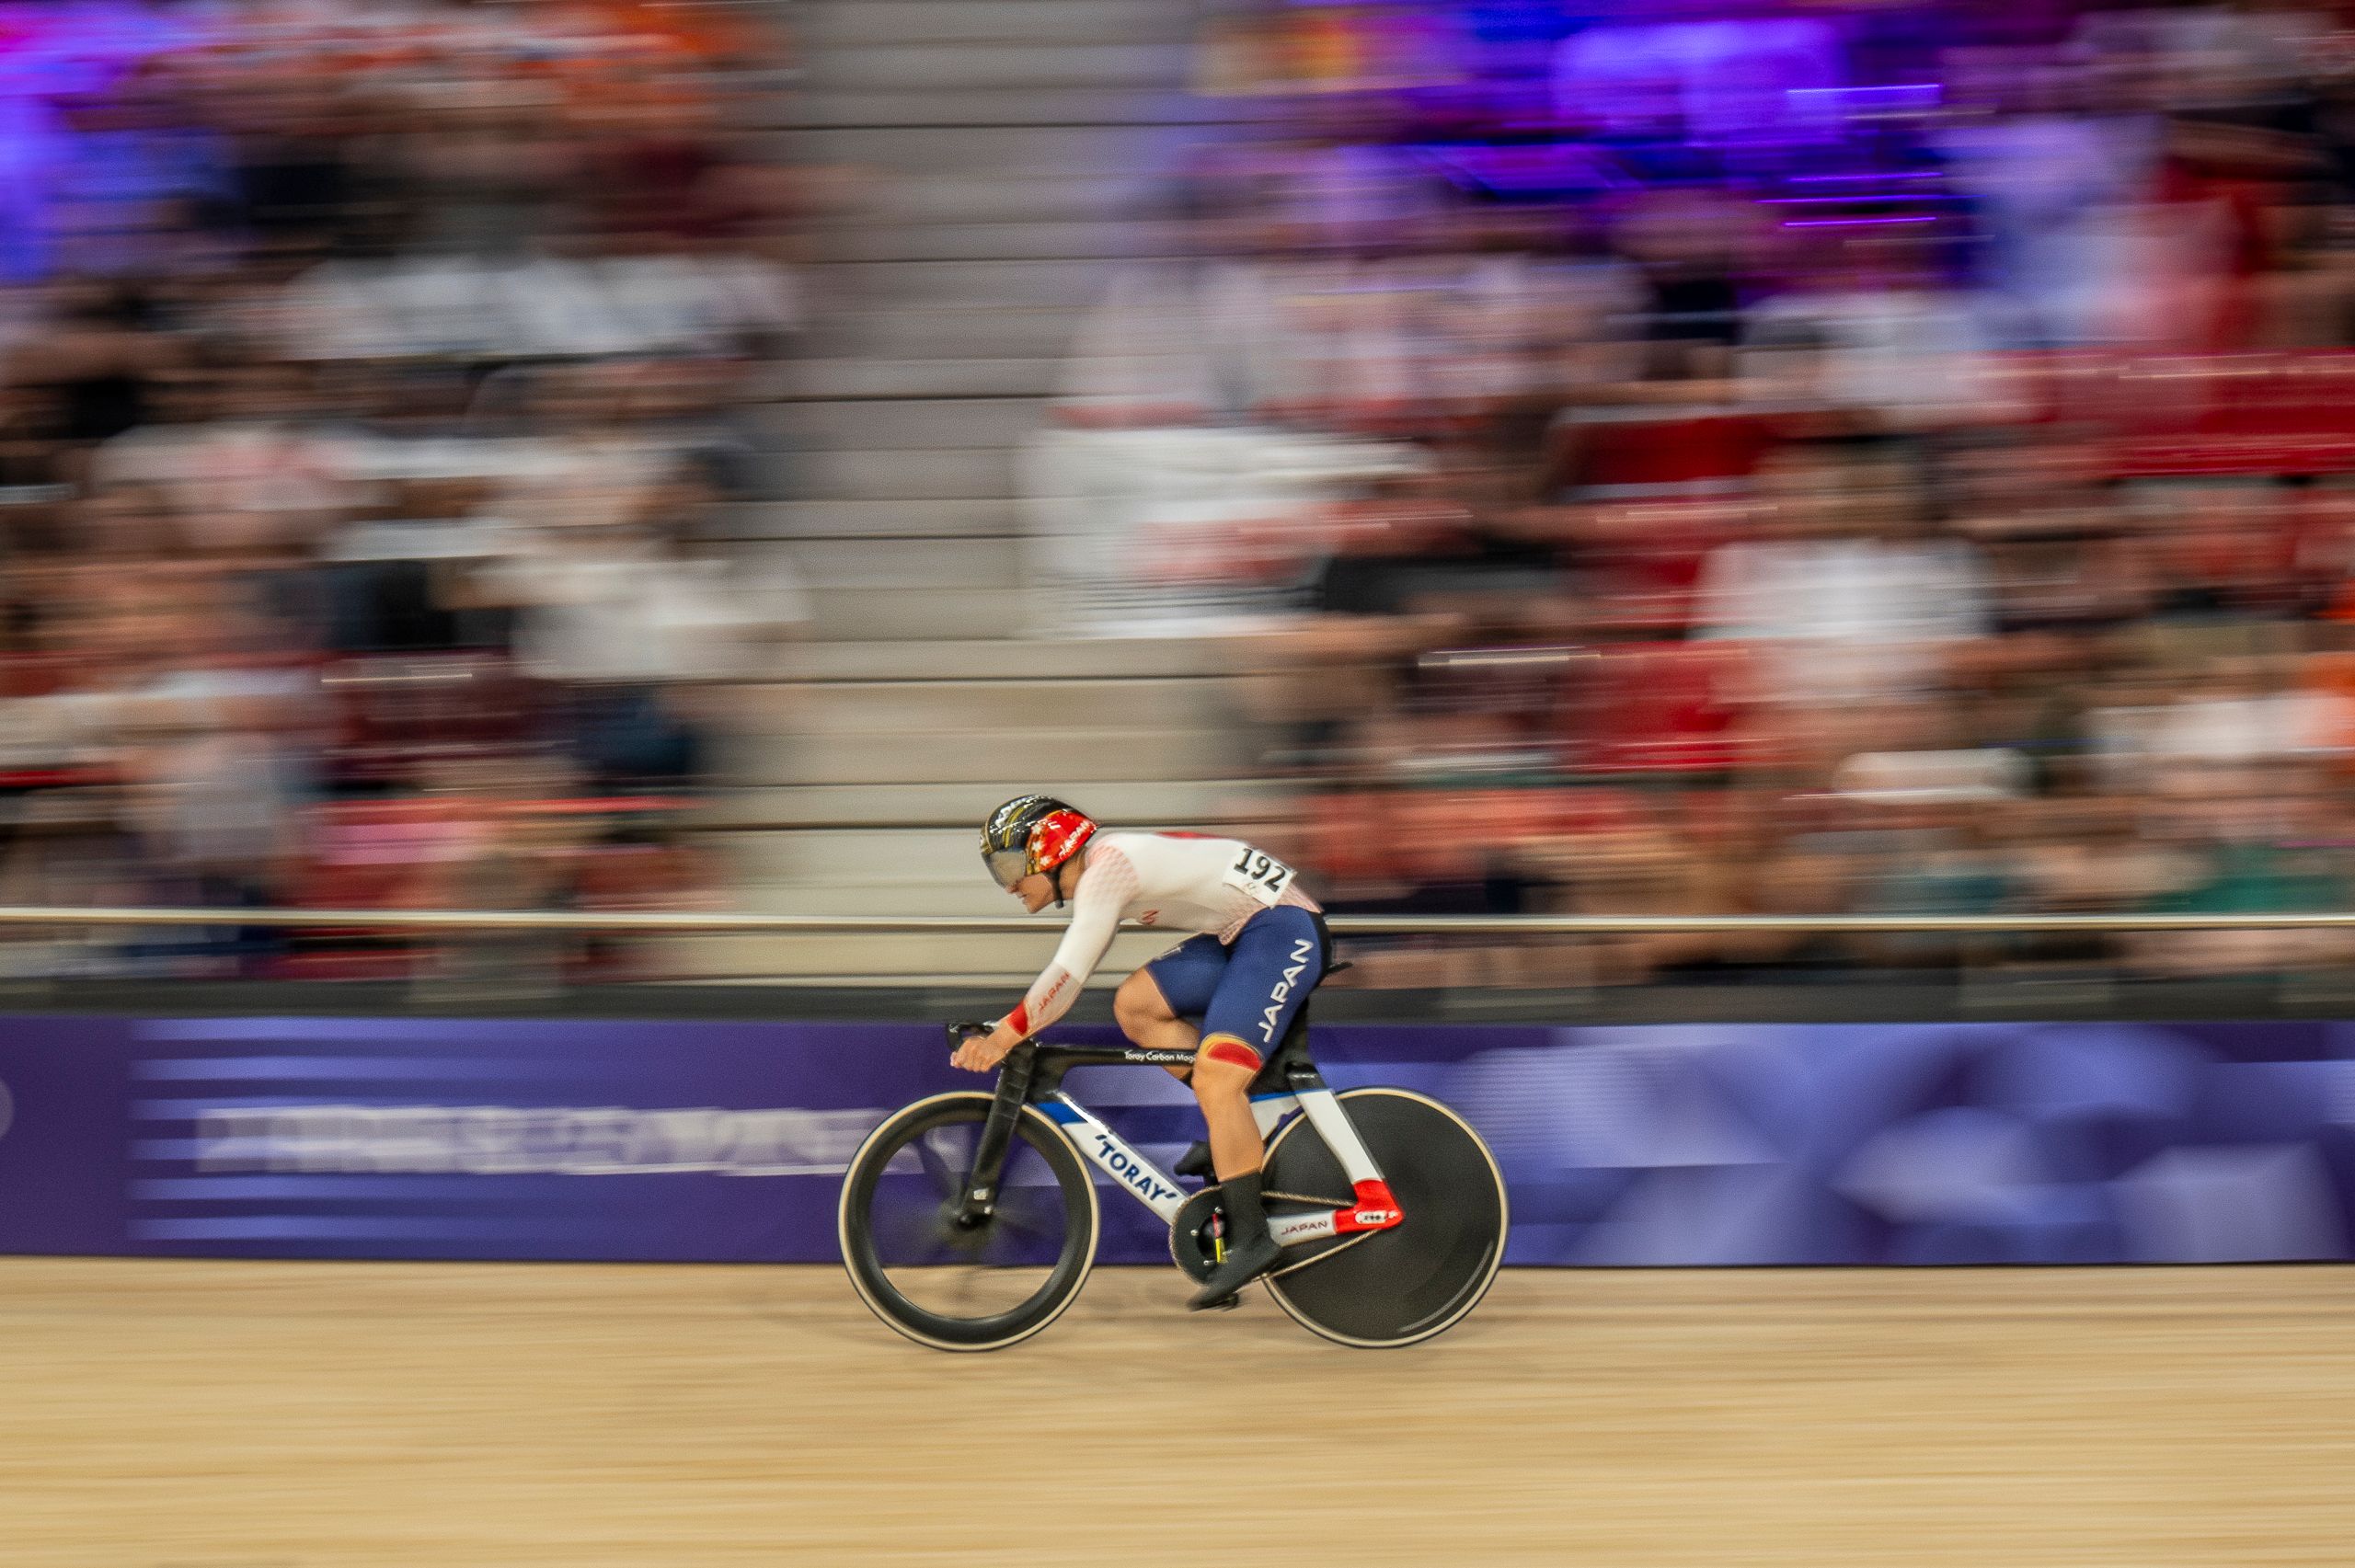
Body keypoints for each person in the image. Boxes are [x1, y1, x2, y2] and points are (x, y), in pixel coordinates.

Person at [952, 794, 1328, 1309]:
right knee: (1136, 1006)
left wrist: (1003, 1036)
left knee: (1219, 1077)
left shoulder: (1108, 870)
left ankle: (1253, 1237)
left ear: (1048, 848)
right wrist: (1009, 1026)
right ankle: (1244, 1127)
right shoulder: (1105, 868)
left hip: (1279, 929)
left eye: (1010, 866)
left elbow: (1068, 975)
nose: (1009, 884)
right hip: (1239, 933)